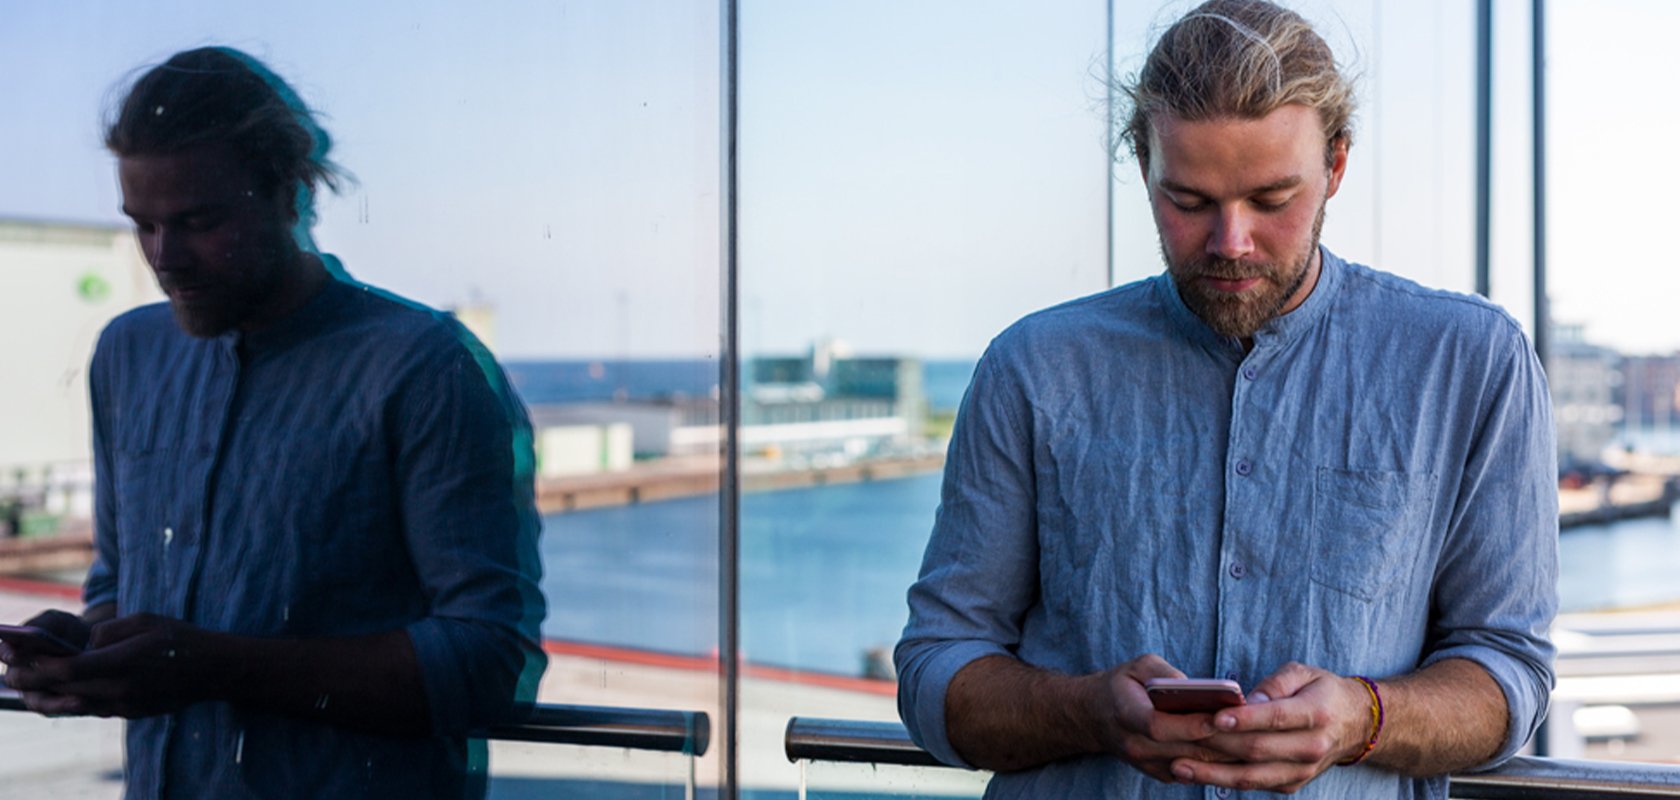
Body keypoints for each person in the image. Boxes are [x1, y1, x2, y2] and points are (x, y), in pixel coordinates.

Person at [895, 1, 1557, 797]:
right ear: (1143, 165)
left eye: (1272, 200)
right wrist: (1087, 711)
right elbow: (937, 668)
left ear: (1336, 167)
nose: (1230, 243)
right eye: (1190, 201)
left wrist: (1363, 717)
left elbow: (1509, 673)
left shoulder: (1471, 361)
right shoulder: (1033, 368)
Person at [0, 47, 546, 799]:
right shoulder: (127, 354)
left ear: (290, 192)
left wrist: (210, 664)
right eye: (144, 225)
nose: (166, 257)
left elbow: (493, 664)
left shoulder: (427, 368)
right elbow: (121, 583)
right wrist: (87, 647)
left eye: (199, 221)